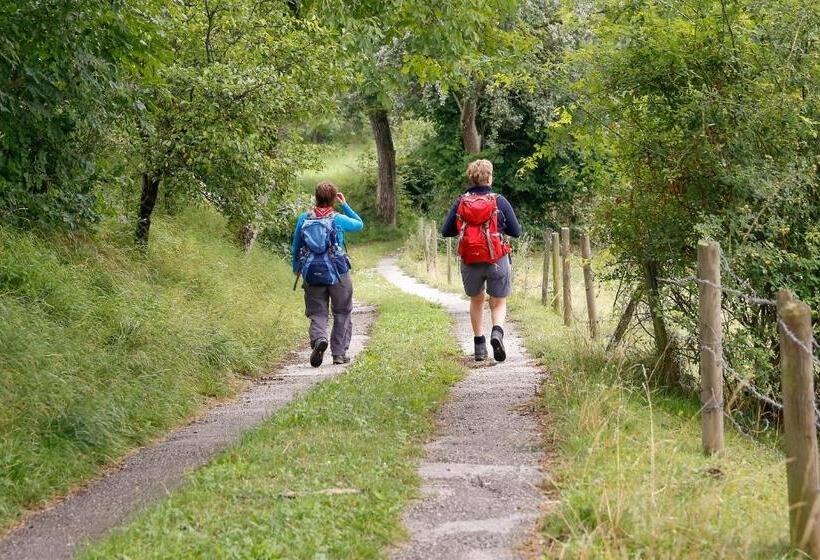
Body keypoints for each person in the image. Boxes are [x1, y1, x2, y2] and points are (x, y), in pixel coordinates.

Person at [441, 159, 522, 362]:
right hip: (497, 258)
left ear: (471, 178)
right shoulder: (499, 201)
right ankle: (497, 332)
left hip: (470, 260)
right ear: (490, 177)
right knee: (499, 301)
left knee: (476, 300)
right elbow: (516, 231)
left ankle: (479, 347)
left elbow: (446, 231)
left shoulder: (461, 202)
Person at [292, 181, 364, 367]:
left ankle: (319, 339)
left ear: (315, 197)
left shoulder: (304, 218)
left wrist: (296, 267)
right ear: (333, 199)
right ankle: (338, 354)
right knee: (342, 312)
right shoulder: (337, 219)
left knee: (317, 312)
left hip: (311, 272)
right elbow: (359, 225)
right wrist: (345, 205)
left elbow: (297, 245)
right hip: (338, 272)